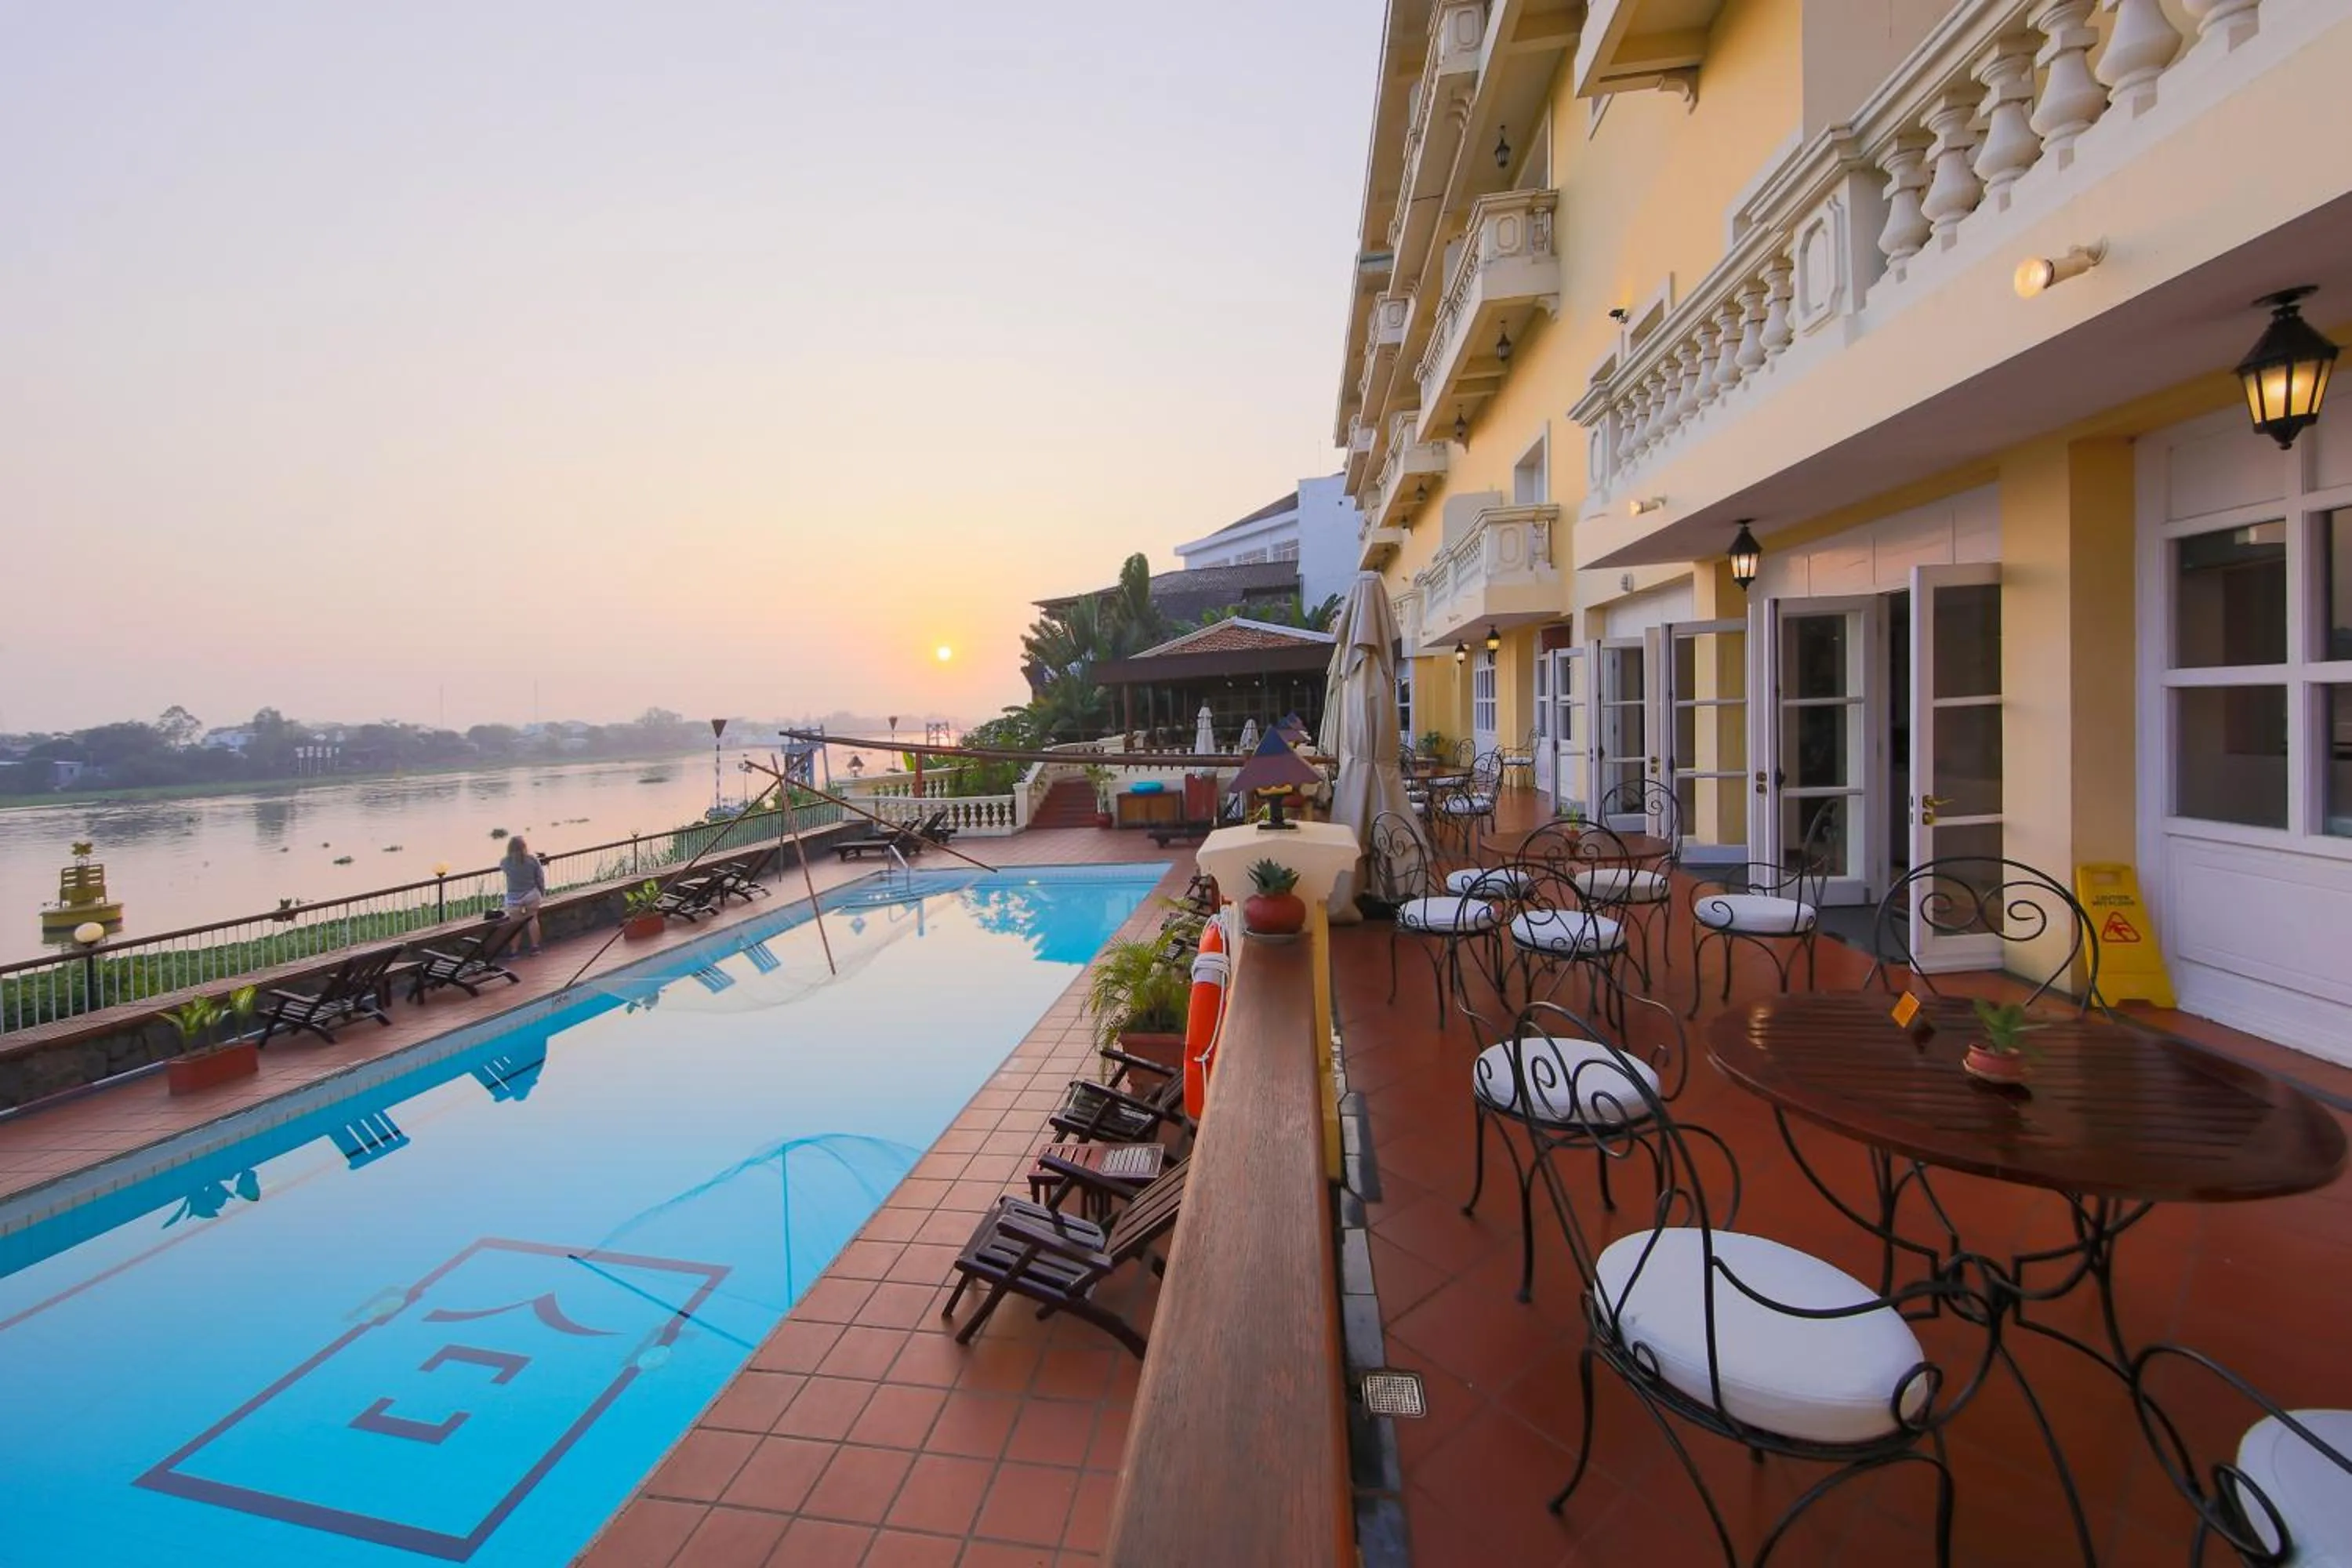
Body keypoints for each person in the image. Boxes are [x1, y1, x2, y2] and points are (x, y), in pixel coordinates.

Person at [501, 836, 546, 956]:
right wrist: (542, 892)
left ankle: (514, 952)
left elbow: (505, 870)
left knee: (515, 924)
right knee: (533, 919)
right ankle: (535, 948)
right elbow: (540, 878)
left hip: (513, 898)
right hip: (531, 894)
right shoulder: (532, 860)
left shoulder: (505, 862)